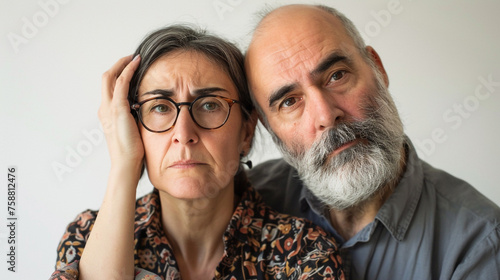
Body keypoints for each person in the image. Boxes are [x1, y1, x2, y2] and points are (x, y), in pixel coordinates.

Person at [50, 25, 344, 280]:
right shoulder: (88, 236)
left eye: (209, 105)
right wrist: (125, 164)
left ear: (246, 132)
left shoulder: (304, 251)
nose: (184, 134)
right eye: (160, 108)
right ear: (133, 127)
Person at [245, 4, 500, 280]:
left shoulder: (480, 244)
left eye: (336, 75)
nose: (327, 116)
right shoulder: (247, 202)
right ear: (268, 127)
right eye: (290, 101)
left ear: (377, 68)